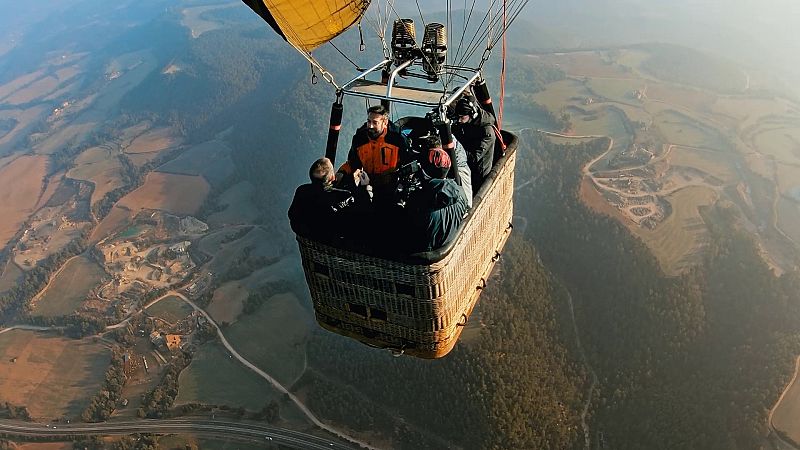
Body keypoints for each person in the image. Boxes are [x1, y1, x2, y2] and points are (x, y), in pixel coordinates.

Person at [399, 148, 469, 253]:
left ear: (425, 171)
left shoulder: (419, 200)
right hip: (447, 247)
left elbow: (408, 226)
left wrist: (400, 203)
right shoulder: (461, 192)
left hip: (422, 253)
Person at [337, 104, 409, 202]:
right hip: (367, 183)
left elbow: (408, 161)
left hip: (391, 185)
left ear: (385, 123)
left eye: (375, 122)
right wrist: (341, 172)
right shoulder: (360, 138)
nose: (370, 126)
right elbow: (353, 162)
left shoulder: (397, 139)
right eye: (369, 121)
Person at [288, 158, 365, 242]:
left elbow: (291, 213)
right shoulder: (344, 195)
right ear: (332, 177)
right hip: (329, 239)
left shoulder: (301, 190)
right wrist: (363, 186)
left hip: (305, 234)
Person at [451, 95, 496, 191]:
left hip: (478, 174)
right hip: (467, 164)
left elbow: (474, 158)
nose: (459, 120)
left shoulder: (487, 133)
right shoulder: (469, 121)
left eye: (462, 117)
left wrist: (456, 149)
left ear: (472, 114)